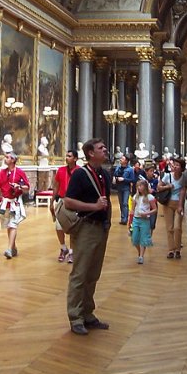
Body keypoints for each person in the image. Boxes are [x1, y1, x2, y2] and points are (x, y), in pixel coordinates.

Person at [62, 137, 112, 336]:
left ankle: (88, 313)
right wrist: (94, 206)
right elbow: (68, 201)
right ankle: (75, 317)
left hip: (101, 228)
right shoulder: (80, 175)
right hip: (86, 228)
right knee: (80, 273)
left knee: (93, 274)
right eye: (101, 148)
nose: (105, 149)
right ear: (91, 153)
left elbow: (106, 201)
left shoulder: (105, 174)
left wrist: (107, 221)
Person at [0, 152, 30, 259]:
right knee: (8, 225)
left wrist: (19, 186)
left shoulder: (20, 172)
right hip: (5, 202)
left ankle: (9, 249)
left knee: (13, 224)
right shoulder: (2, 172)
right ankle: (13, 247)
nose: (5, 159)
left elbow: (27, 188)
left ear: (13, 160)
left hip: (15, 202)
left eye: (7, 157)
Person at [49, 148, 78, 264]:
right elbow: (56, 187)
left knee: (72, 228)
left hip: (74, 202)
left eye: (69, 156)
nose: (67, 158)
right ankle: (63, 248)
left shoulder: (79, 171)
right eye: (66, 156)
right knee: (59, 226)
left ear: (75, 158)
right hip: (61, 201)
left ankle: (72, 251)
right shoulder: (61, 170)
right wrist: (52, 202)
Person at [157, 156, 185, 258]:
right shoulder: (167, 176)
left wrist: (181, 205)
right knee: (169, 227)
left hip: (179, 204)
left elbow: (184, 191)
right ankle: (171, 250)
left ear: (182, 168)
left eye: (178, 165)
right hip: (168, 203)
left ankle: (178, 249)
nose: (175, 167)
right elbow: (159, 187)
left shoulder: (184, 178)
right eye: (174, 165)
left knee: (177, 227)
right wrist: (167, 186)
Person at [130, 178, 156, 264]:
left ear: (145, 187)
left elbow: (155, 209)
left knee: (143, 238)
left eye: (140, 186)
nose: (139, 187)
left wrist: (147, 213)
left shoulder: (150, 197)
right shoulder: (135, 197)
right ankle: (139, 252)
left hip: (145, 220)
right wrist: (130, 221)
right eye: (138, 186)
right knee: (134, 238)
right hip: (136, 219)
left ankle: (141, 256)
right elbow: (132, 209)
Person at [112, 155, 134, 226]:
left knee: (125, 203)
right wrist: (114, 178)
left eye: (122, 158)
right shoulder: (118, 167)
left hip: (126, 188)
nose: (120, 159)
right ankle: (122, 218)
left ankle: (125, 219)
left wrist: (124, 179)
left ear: (126, 161)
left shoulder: (130, 169)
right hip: (119, 187)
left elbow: (132, 179)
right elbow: (115, 175)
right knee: (121, 203)